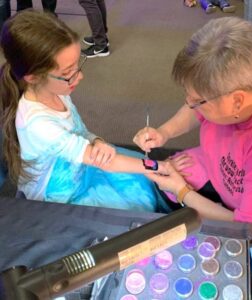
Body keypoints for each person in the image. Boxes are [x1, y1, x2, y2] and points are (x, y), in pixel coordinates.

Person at [133, 17, 252, 228]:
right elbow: (197, 103)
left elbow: (248, 229)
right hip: (223, 164)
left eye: (197, 101)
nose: (189, 104)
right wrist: (164, 132)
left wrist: (181, 191)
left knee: (170, 191)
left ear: (237, 101)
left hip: (251, 216)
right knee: (168, 179)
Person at [0, 10, 170, 213]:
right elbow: (108, 162)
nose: (79, 77)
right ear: (33, 77)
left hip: (81, 165)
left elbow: (79, 131)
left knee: (143, 182)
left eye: (77, 65)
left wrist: (96, 141)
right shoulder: (37, 124)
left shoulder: (57, 90)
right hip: (61, 193)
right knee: (138, 203)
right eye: (67, 73)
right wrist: (161, 167)